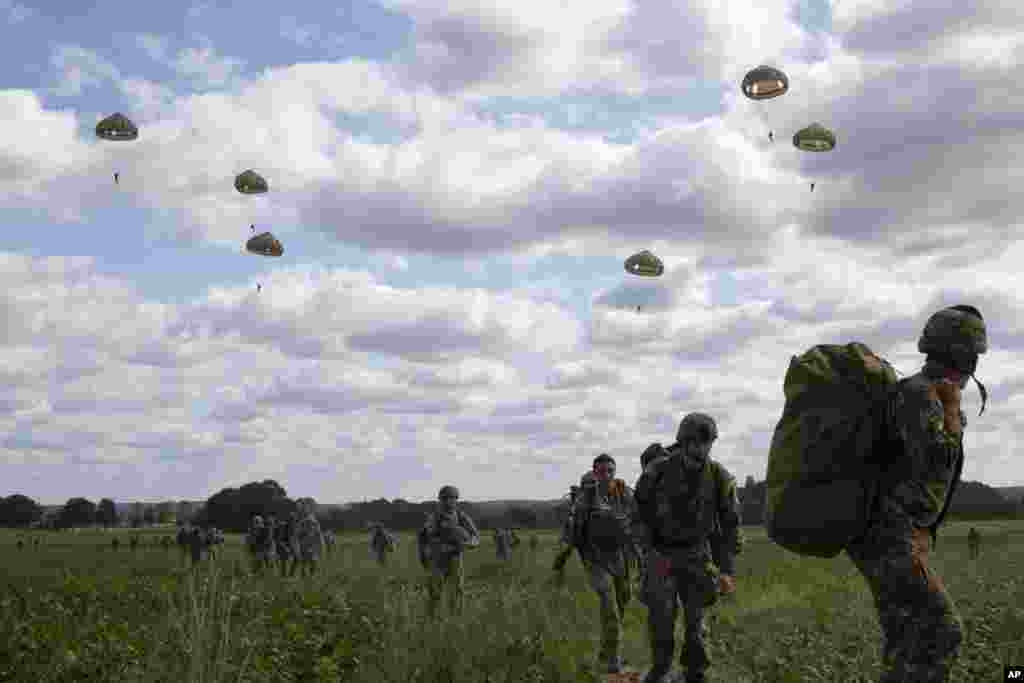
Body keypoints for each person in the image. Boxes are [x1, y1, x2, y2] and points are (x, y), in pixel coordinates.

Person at [846, 305, 987, 683]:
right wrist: (954, 413)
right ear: (967, 354)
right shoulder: (922, 394)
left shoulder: (924, 393)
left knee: (905, 642)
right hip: (890, 536)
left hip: (888, 534)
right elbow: (936, 459)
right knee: (944, 632)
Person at [633, 413, 743, 683]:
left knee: (696, 623)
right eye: (695, 442)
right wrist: (647, 553)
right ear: (683, 442)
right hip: (661, 554)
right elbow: (638, 514)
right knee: (662, 618)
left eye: (706, 442)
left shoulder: (719, 476)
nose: (701, 448)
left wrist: (727, 570)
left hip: (697, 555)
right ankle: (660, 669)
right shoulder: (656, 472)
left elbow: (730, 525)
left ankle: (695, 673)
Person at [574, 454, 638, 674]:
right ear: (594, 472)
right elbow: (577, 534)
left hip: (619, 559)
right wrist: (586, 561)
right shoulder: (586, 498)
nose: (606, 475)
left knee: (622, 605)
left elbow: (637, 518)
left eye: (610, 470)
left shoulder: (623, 492)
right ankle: (614, 662)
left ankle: (605, 651)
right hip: (596, 560)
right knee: (610, 608)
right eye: (602, 471)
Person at [418, 485, 480, 617]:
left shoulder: (461, 516)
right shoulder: (434, 517)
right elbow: (423, 537)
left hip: (455, 558)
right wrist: (423, 555)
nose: (448, 502)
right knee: (435, 591)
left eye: (451, 498)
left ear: (456, 500)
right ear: (440, 500)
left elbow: (475, 536)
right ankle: (432, 618)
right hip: (437, 558)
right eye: (445, 498)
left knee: (457, 590)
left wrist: (469, 543)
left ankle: (456, 618)